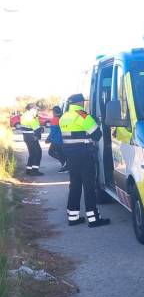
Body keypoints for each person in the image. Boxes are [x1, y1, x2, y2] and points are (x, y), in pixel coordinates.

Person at [59, 94, 110, 228]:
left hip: (70, 156)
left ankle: (73, 217)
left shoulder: (64, 116)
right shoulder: (81, 114)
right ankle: (93, 219)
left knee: (74, 186)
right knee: (89, 187)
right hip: (84, 155)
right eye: (83, 102)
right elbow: (97, 135)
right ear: (80, 102)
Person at [19, 103, 44, 176]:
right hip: (32, 137)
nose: (37, 110)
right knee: (38, 153)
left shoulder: (24, 115)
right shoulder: (30, 116)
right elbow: (36, 128)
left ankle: (29, 170)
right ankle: (35, 171)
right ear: (31, 109)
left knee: (32, 154)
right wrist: (40, 130)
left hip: (27, 137)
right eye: (35, 109)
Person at [46, 105, 67, 173]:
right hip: (63, 139)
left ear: (54, 112)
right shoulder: (63, 117)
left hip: (56, 140)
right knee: (61, 153)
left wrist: (48, 139)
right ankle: (65, 164)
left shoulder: (55, 119)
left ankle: (65, 164)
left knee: (51, 152)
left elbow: (53, 131)